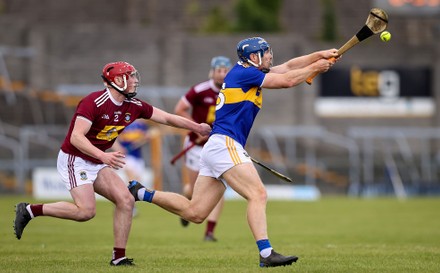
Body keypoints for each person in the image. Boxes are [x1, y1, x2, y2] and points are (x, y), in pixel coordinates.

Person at [128, 37, 338, 267]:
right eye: (266, 52)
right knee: (258, 194)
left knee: (195, 213)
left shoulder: (251, 72)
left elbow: (288, 67)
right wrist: (317, 67)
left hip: (216, 147)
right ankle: (266, 253)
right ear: (253, 57)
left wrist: (318, 55)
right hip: (225, 144)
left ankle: (142, 194)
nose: (270, 55)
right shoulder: (245, 74)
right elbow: (287, 80)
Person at [13, 61, 211, 266]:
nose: (135, 80)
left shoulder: (133, 106)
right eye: (131, 76)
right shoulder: (93, 102)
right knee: (86, 212)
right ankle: (29, 210)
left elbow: (168, 118)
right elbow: (76, 138)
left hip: (97, 160)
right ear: (117, 80)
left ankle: (119, 258)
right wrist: (103, 156)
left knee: (126, 200)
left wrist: (197, 127)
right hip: (75, 159)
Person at [174, 56, 231, 241]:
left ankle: (210, 232)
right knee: (193, 190)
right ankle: (186, 204)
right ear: (212, 72)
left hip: (218, 147)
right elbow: (180, 109)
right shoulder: (200, 90)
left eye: (225, 71)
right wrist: (196, 128)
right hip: (195, 146)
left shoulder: (232, 90)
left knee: (219, 186)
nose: (222, 74)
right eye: (219, 71)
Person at [112, 119, 152, 217]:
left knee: (136, 185)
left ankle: (123, 204)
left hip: (138, 158)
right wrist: (118, 148)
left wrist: (147, 137)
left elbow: (147, 136)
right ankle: (129, 207)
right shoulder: (121, 122)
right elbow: (112, 138)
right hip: (126, 157)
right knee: (132, 181)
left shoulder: (141, 124)